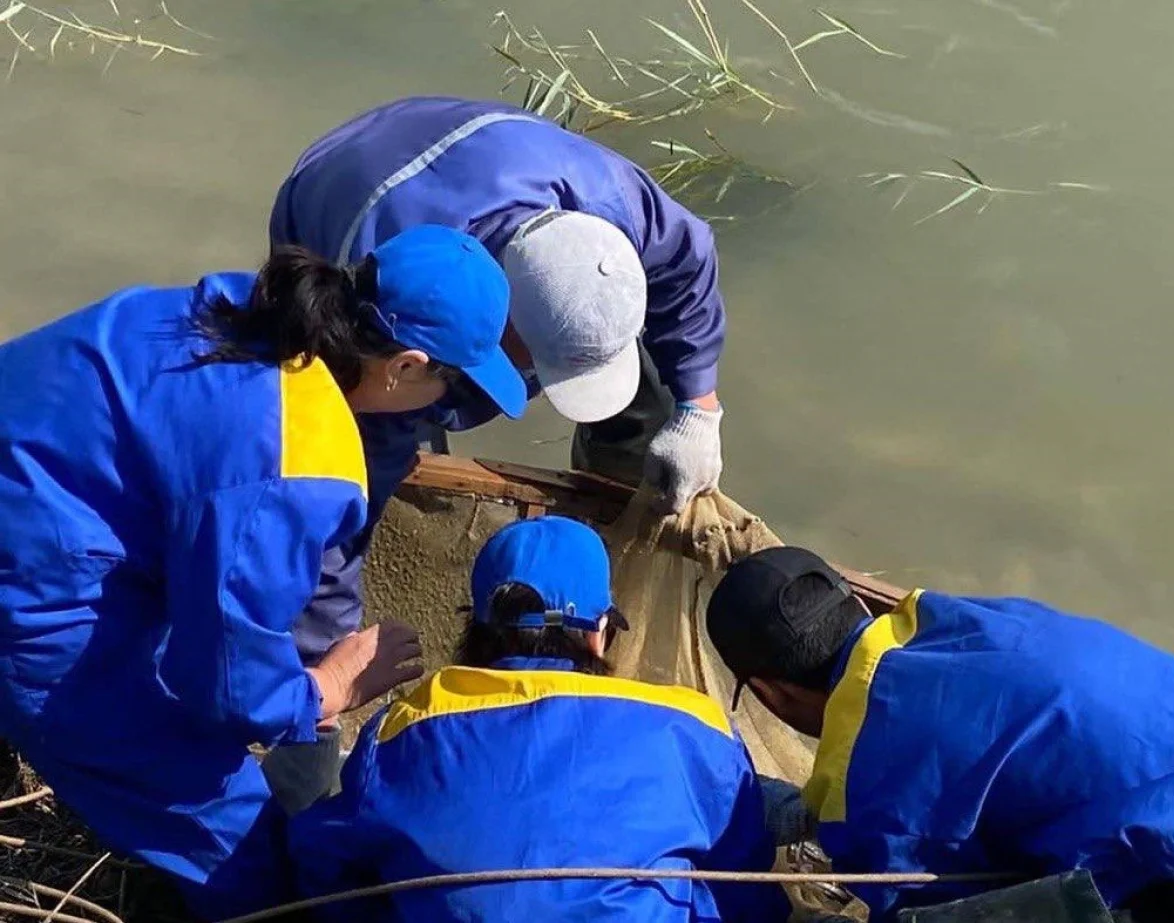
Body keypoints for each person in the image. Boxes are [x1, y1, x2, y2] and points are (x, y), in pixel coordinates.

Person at [0, 225, 526, 919]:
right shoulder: (298, 461)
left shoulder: (240, 307)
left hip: (40, 481)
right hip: (31, 584)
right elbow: (223, 686)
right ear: (404, 366)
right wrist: (330, 687)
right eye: (449, 386)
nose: (442, 407)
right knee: (258, 859)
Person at [270, 96, 729, 703]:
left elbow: (689, 263)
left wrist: (700, 406)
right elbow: (340, 501)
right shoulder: (396, 301)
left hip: (488, 156)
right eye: (532, 365)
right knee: (384, 445)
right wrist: (323, 679)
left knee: (643, 416)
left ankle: (613, 512)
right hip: (345, 192)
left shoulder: (611, 212)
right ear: (495, 320)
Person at [289, 516, 791, 923]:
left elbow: (322, 861)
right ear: (599, 633)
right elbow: (747, 884)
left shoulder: (405, 727)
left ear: (478, 628)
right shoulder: (694, 724)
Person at [705, 546, 1174, 922]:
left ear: (770, 695)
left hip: (1171, 861)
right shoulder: (962, 617)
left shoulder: (873, 793)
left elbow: (931, 906)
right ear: (855, 601)